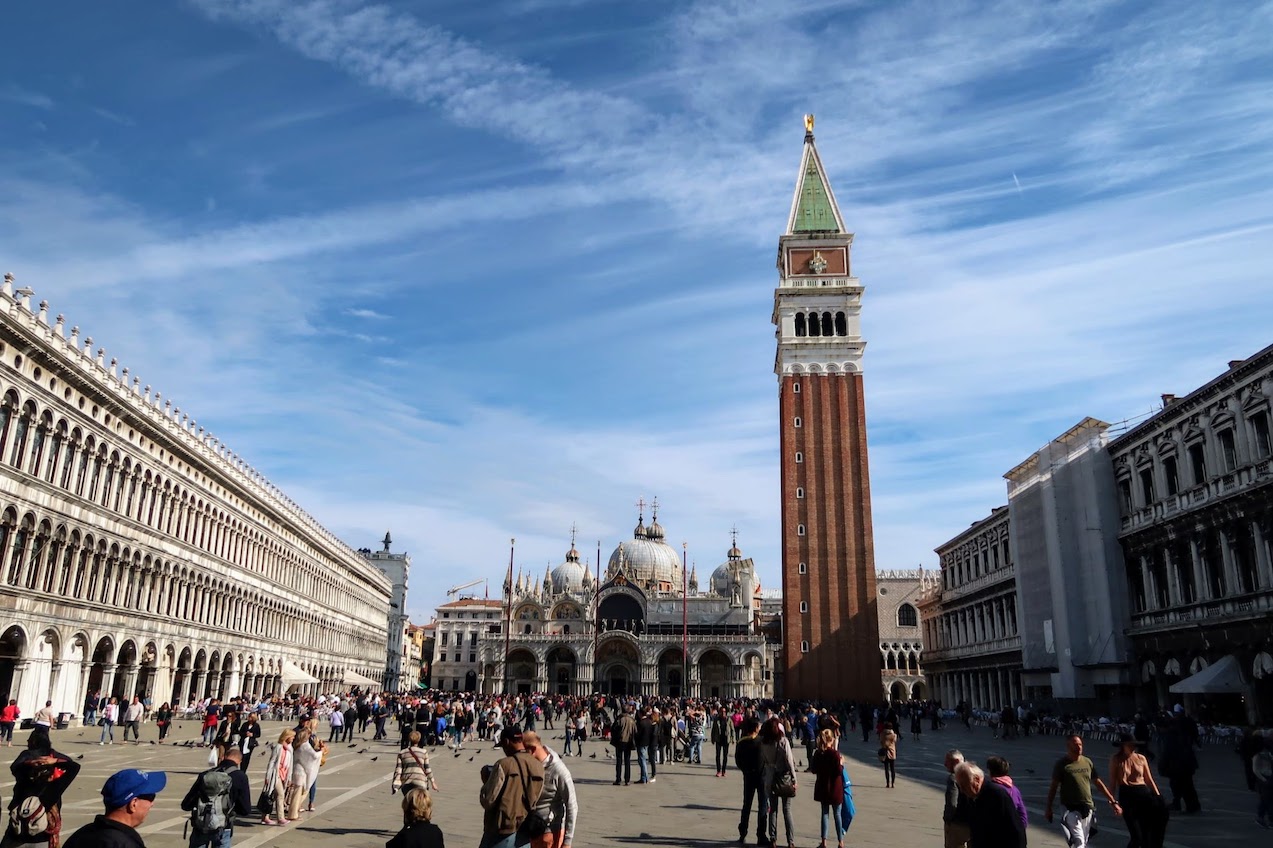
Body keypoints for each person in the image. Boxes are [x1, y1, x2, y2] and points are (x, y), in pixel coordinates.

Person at [3, 726, 81, 848]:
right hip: (42, 834)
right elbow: (74, 767)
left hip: (16, 833)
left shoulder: (24, 780)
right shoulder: (53, 788)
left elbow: (15, 767)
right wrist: (54, 760)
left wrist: (31, 762)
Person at [1045, 733, 1122, 848]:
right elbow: (1053, 787)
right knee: (1079, 841)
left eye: (1080, 744)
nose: (1079, 747)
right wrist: (1049, 808)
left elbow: (1098, 783)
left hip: (1087, 807)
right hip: (1070, 808)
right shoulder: (1062, 765)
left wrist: (1113, 801)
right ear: (1068, 746)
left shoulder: (1087, 762)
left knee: (1084, 841)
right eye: (1075, 744)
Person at [62, 768, 166, 848]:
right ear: (133, 804)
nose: (152, 804)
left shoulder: (82, 834)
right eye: (150, 797)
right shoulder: (123, 843)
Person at [478, 726, 544, 848]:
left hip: (501, 831)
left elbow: (487, 800)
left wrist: (486, 781)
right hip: (525, 829)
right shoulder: (538, 765)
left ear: (507, 742)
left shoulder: (504, 764)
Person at [180, 748, 252, 848]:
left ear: (223, 757)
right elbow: (245, 809)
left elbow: (186, 805)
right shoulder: (240, 776)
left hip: (201, 824)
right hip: (223, 826)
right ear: (239, 761)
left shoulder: (205, 775)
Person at [1109, 732, 1168, 848]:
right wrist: (1112, 801)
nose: (1132, 747)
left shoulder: (1141, 758)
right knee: (1136, 836)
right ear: (1123, 745)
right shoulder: (1116, 759)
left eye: (1134, 745)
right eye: (1130, 744)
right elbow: (1112, 783)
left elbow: (1149, 779)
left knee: (1147, 833)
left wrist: (1158, 796)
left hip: (1144, 795)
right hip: (1127, 796)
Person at [523, 730, 577, 848]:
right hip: (529, 830)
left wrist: (567, 842)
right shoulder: (529, 766)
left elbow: (572, 806)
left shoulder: (559, 771)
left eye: (523, 752)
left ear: (531, 750)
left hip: (550, 832)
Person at [954, 761, 1026, 848]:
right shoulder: (972, 796)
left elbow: (1016, 830)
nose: (962, 790)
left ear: (976, 779)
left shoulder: (996, 794)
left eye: (964, 785)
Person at [759, 717, 796, 848]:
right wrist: (794, 779)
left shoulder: (763, 743)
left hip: (770, 778)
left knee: (773, 810)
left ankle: (773, 839)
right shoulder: (783, 741)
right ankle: (790, 841)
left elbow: (763, 760)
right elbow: (790, 761)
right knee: (787, 810)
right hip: (784, 777)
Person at [1158, 706, 1200, 814]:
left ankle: (1179, 803)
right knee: (1187, 784)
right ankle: (1192, 805)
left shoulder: (1172, 736)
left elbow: (1168, 751)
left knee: (1177, 785)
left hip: (1177, 765)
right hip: (1186, 764)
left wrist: (1162, 765)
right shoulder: (1184, 735)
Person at [734, 717, 768, 846]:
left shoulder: (742, 742)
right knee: (762, 807)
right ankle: (761, 835)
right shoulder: (762, 742)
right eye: (759, 726)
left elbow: (738, 760)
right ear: (755, 728)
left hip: (748, 777)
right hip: (762, 778)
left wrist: (745, 770)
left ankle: (743, 832)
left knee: (746, 805)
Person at [810, 729, 844, 848]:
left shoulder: (818, 753)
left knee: (825, 814)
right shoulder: (835, 754)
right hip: (835, 788)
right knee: (837, 814)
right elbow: (839, 771)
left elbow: (813, 769)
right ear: (831, 739)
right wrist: (841, 762)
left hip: (823, 787)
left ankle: (824, 841)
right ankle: (840, 841)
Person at [260, 728, 294, 826]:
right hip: (275, 774)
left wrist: (289, 778)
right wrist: (268, 775)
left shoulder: (289, 749)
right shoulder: (278, 747)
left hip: (284, 774)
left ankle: (265, 817)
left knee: (272, 797)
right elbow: (272, 762)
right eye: (292, 736)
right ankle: (281, 818)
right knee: (280, 795)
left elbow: (290, 764)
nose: (293, 738)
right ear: (287, 736)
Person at [985, 755, 1027, 833]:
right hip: (1013, 833)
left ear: (990, 771)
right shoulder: (1014, 789)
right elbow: (1023, 814)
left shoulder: (989, 789)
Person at [287, 728, 321, 821]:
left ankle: (293, 812)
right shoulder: (305, 745)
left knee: (297, 793)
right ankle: (293, 814)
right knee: (299, 794)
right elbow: (314, 756)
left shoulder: (297, 745)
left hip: (296, 770)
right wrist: (321, 752)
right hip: (301, 772)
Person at [942, 749, 972, 848]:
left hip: (959, 823)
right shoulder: (974, 773)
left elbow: (952, 802)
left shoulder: (954, 778)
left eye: (947, 761)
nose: (945, 764)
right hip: (974, 822)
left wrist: (948, 820)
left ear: (956, 762)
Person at [392, 731, 436, 795]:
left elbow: (398, 770)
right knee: (419, 803)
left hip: (406, 782)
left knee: (408, 803)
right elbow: (427, 769)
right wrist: (433, 782)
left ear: (409, 739)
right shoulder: (423, 752)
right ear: (419, 739)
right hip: (420, 781)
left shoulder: (402, 753)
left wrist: (395, 785)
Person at [610, 707, 637, 786]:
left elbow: (613, 729)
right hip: (628, 741)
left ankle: (618, 779)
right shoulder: (632, 720)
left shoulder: (619, 719)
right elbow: (635, 731)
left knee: (619, 761)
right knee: (627, 761)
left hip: (620, 741)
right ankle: (627, 780)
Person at [1253, 729, 1273, 829]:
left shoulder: (1267, 755)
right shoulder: (1258, 755)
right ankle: (1269, 820)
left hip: (1268, 778)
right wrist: (1264, 780)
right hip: (1264, 779)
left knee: (1266, 800)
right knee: (1267, 800)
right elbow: (1255, 770)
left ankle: (1261, 817)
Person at [635, 709, 656, 784]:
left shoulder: (640, 723)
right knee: (642, 760)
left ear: (641, 714)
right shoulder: (649, 722)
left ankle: (645, 778)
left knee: (642, 760)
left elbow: (637, 734)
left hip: (641, 743)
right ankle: (643, 777)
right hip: (647, 743)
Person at [712, 707, 732, 778]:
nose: (723, 713)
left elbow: (732, 729)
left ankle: (724, 771)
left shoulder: (728, 719)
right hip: (718, 739)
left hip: (726, 740)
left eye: (724, 711)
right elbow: (713, 729)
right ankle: (718, 771)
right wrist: (712, 739)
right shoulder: (716, 720)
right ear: (719, 712)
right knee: (718, 756)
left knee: (725, 756)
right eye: (722, 711)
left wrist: (732, 739)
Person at [880, 722, 898, 788]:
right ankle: (893, 784)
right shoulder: (894, 735)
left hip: (885, 752)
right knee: (892, 769)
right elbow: (895, 741)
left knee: (886, 769)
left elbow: (881, 741)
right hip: (892, 752)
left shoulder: (882, 734)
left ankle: (887, 783)